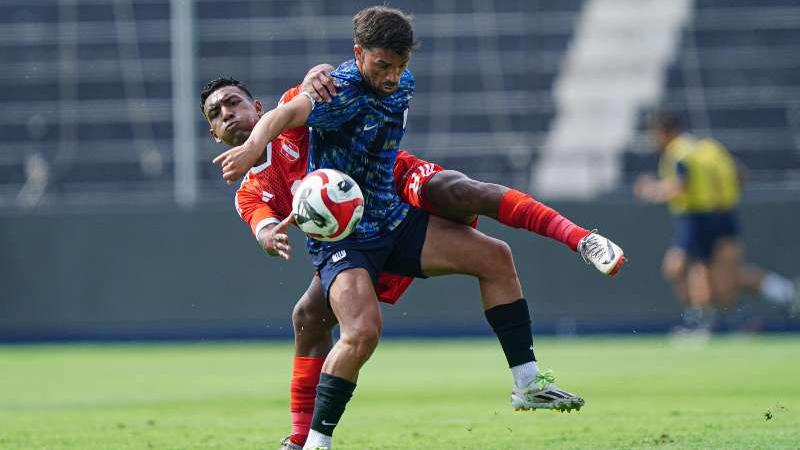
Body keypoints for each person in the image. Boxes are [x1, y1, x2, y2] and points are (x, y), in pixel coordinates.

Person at [206, 7, 623, 449]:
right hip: (347, 242)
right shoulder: (251, 187)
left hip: (394, 195)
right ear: (214, 134)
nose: (228, 113)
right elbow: (262, 223)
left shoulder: (320, 104)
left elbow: (300, 100)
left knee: (479, 222)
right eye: (217, 112)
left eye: (234, 102)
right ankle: (307, 442)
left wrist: (312, 79)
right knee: (330, 323)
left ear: (255, 105)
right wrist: (269, 235)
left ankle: (573, 260)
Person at [635, 111, 799, 332]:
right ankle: (784, 292)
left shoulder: (678, 153)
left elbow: (682, 184)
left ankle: (701, 321)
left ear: (664, 131)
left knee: (687, 270)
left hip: (696, 217)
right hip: (724, 213)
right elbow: (741, 174)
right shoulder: (709, 147)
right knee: (727, 276)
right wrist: (724, 198)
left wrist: (651, 190)